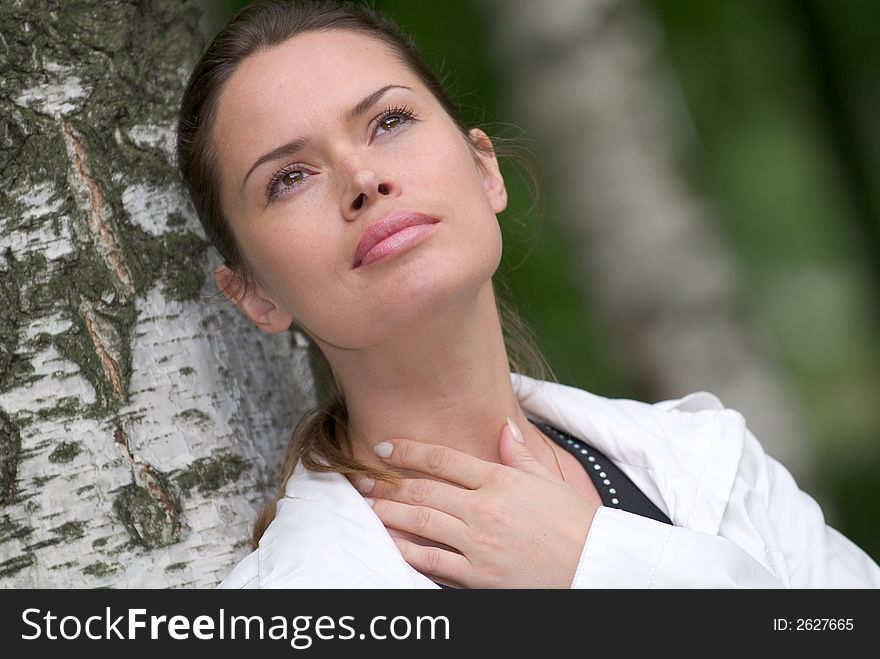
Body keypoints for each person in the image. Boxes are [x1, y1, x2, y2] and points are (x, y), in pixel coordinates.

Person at [176, 0, 880, 589]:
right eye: (288, 178)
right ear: (256, 295)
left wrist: (594, 563)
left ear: (485, 170)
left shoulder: (708, 460)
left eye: (389, 121)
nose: (362, 177)